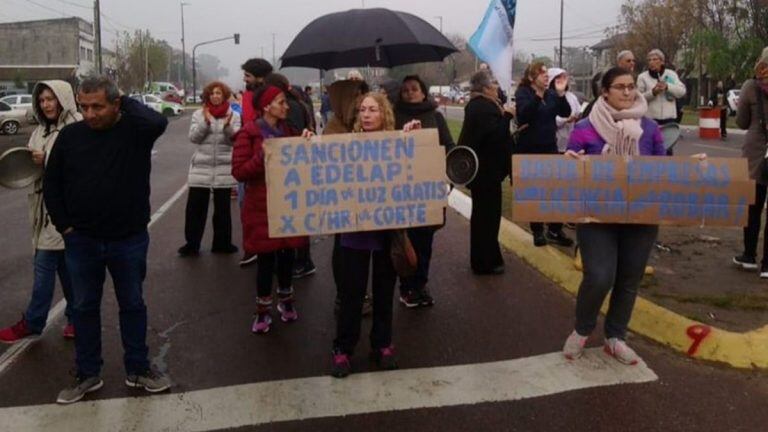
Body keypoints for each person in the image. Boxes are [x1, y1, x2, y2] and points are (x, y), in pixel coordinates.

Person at [43, 75, 171, 404]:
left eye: (98, 106)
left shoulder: (135, 131)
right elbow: (52, 184)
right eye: (84, 107)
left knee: (132, 304)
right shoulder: (70, 136)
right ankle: (87, 374)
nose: (90, 114)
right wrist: (65, 227)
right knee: (83, 307)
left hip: (128, 238)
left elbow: (158, 120)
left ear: (116, 104)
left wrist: (124, 99)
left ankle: (138, 368)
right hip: (81, 241)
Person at [562, 67, 666, 365]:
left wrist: (692, 169)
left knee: (629, 278)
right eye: (620, 87)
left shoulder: (650, 128)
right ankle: (582, 329)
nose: (627, 92)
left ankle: (615, 337)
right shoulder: (585, 127)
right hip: (597, 218)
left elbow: (664, 169)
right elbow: (570, 164)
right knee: (599, 276)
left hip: (640, 218)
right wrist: (571, 162)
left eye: (631, 86)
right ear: (604, 92)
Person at [331, 92, 421, 378]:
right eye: (362, 110)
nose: (367, 115)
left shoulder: (398, 141)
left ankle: (382, 344)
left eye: (373, 110)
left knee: (384, 294)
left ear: (384, 114)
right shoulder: (345, 145)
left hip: (386, 234)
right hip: (353, 233)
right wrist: (308, 143)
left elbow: (415, 168)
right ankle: (344, 348)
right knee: (351, 295)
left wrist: (413, 138)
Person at [0, 81, 80, 344]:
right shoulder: (40, 131)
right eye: (42, 99)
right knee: (68, 272)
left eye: (51, 99)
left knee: (44, 268)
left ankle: (33, 322)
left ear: (63, 99)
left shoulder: (75, 127)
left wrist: (45, 160)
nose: (46, 104)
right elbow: (30, 168)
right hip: (41, 212)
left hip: (64, 214)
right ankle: (77, 318)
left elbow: (79, 166)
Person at [232, 85, 309, 334]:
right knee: (265, 260)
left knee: (287, 256)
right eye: (280, 102)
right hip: (260, 206)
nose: (286, 106)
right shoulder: (249, 133)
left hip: (287, 203)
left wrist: (306, 142)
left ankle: (286, 301)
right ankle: (262, 310)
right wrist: (261, 157)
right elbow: (240, 171)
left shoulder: (290, 131)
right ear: (266, 106)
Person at [394, 75, 455, 307]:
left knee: (425, 242)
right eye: (406, 90)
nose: (410, 93)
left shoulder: (436, 117)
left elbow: (449, 146)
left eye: (414, 89)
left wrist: (447, 172)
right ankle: (406, 287)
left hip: (428, 191)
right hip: (402, 191)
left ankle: (421, 284)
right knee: (405, 242)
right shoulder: (394, 116)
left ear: (423, 92)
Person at [458, 70, 515, 275]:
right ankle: (485, 261)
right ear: (485, 89)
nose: (496, 88)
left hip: (483, 173)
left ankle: (486, 258)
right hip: (486, 174)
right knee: (487, 219)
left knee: (484, 218)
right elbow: (494, 138)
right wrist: (507, 116)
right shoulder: (483, 107)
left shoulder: (478, 106)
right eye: (493, 84)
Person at [262, 73, 318, 279]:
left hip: (294, 171)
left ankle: (302, 260)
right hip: (294, 170)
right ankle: (300, 259)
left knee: (298, 216)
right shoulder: (298, 102)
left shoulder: (292, 107)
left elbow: (292, 138)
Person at [178, 81, 241, 257]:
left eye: (218, 93)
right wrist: (205, 123)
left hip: (223, 166)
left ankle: (222, 243)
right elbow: (194, 138)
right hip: (201, 166)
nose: (215, 96)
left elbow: (235, 140)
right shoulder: (199, 114)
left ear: (224, 95)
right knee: (195, 209)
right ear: (207, 96)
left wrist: (228, 127)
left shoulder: (233, 115)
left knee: (222, 210)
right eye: (212, 93)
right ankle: (192, 244)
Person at [515, 62, 574, 247]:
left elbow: (565, 111)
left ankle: (555, 229)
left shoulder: (551, 94)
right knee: (536, 190)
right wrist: (537, 96)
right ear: (532, 77)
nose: (546, 76)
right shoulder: (524, 93)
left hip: (549, 146)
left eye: (546, 73)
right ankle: (538, 230)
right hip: (530, 148)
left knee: (555, 189)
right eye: (542, 74)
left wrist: (561, 94)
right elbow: (524, 115)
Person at [733, 47, 768, 277]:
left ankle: (748, 256)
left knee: (753, 206)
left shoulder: (750, 87)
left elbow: (742, 122)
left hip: (756, 152)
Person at [636, 49, 686, 155]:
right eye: (649, 60)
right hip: (651, 119)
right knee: (651, 148)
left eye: (655, 59)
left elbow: (681, 91)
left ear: (662, 61)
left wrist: (668, 86)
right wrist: (653, 92)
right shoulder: (642, 77)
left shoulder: (671, 74)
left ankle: (667, 169)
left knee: (667, 148)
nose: (652, 62)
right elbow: (639, 99)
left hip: (669, 119)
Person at [549, 68, 582, 153]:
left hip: (570, 139)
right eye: (558, 78)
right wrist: (566, 120)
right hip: (555, 141)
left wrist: (577, 117)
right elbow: (549, 119)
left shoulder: (571, 96)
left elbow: (578, 111)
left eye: (564, 78)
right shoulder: (548, 97)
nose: (562, 80)